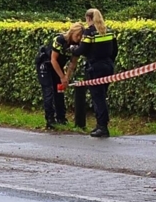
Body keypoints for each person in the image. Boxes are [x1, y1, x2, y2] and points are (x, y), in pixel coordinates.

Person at [73, 9, 117, 138]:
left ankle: (102, 126)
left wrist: (72, 49)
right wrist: (110, 62)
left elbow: (82, 50)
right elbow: (115, 50)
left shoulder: (89, 32)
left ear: (88, 18)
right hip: (108, 66)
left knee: (98, 98)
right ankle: (101, 124)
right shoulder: (109, 30)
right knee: (102, 95)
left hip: (95, 68)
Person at [36, 22, 84, 129]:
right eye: (77, 35)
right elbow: (53, 60)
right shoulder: (60, 40)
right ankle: (50, 119)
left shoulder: (78, 45)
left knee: (60, 91)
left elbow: (73, 63)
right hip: (46, 65)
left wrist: (67, 77)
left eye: (81, 36)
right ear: (72, 32)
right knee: (49, 91)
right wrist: (62, 77)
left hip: (59, 67)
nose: (79, 38)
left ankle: (61, 118)